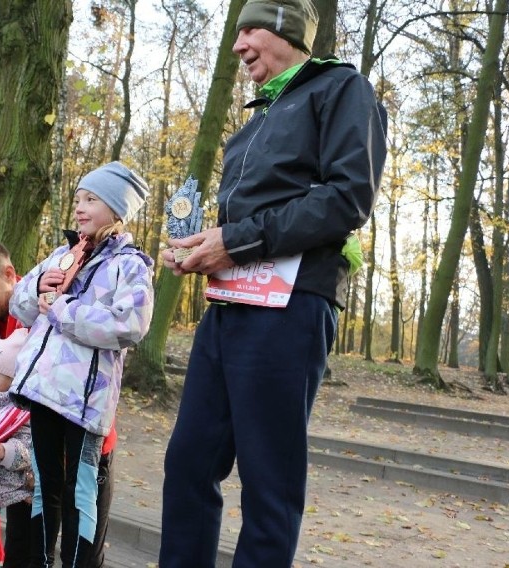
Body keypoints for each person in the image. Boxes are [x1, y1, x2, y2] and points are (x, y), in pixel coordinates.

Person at [158, 1, 388, 566]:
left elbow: (346, 198)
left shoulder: (340, 88)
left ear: (286, 28)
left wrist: (237, 241)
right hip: (229, 302)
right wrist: (203, 248)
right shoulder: (258, 116)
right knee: (188, 462)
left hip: (292, 306)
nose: (238, 46)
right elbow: (248, 217)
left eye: (249, 30)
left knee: (269, 481)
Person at [9, 161, 154, 568]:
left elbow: (130, 324)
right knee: (44, 488)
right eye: (77, 199)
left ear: (116, 209)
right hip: (42, 392)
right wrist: (39, 288)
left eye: (91, 199)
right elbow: (21, 305)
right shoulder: (60, 255)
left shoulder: (130, 265)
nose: (79, 207)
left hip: (85, 401)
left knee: (80, 492)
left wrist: (62, 307)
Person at [0, 237, 119, 568]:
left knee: (83, 555)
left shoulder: (46, 315)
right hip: (16, 462)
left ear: (10, 274)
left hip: (76, 450)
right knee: (24, 551)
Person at [0, 328, 34, 568]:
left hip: (11, 486)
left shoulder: (20, 412)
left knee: (10, 535)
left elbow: (28, 446)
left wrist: (6, 451)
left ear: (12, 381)